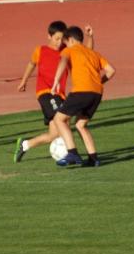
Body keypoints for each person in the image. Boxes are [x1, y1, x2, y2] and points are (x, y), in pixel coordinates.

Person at [14, 22, 94, 162]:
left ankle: (25, 144)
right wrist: (24, 80)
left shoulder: (66, 51)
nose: (58, 42)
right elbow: (31, 64)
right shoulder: (40, 50)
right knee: (64, 121)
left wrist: (90, 38)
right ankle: (71, 153)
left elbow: (86, 52)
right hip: (46, 93)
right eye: (56, 38)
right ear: (49, 36)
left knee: (54, 134)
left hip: (59, 95)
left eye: (61, 39)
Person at [50, 26, 115, 166]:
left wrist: (56, 81)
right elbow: (111, 71)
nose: (65, 45)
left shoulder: (69, 50)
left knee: (59, 119)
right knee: (80, 125)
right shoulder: (94, 54)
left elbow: (63, 62)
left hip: (81, 91)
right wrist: (98, 82)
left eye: (65, 42)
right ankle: (93, 159)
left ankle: (72, 154)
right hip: (96, 93)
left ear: (71, 40)